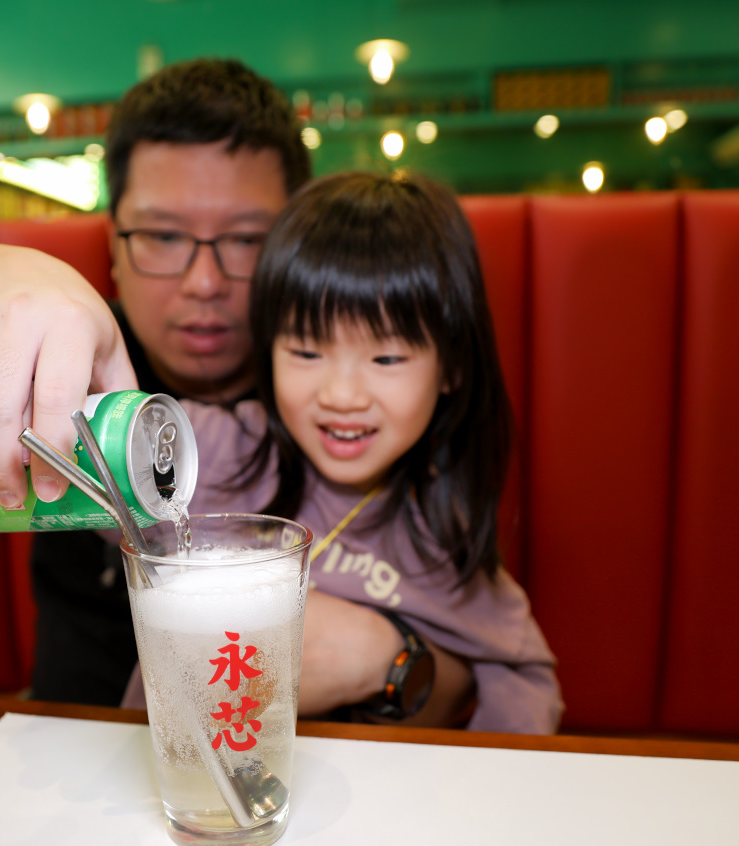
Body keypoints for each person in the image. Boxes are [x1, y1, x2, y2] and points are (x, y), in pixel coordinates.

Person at [0, 59, 423, 717]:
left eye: (247, 239)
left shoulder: (356, 392)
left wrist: (388, 658)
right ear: (112, 243)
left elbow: (482, 672)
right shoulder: (67, 353)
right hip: (78, 741)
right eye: (161, 235)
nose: (203, 282)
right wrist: (9, 276)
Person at [123, 171, 562, 731]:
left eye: (386, 359)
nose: (342, 396)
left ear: (451, 366)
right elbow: (69, 463)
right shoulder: (219, 449)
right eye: (307, 351)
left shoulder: (440, 534)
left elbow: (524, 675)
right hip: (172, 777)